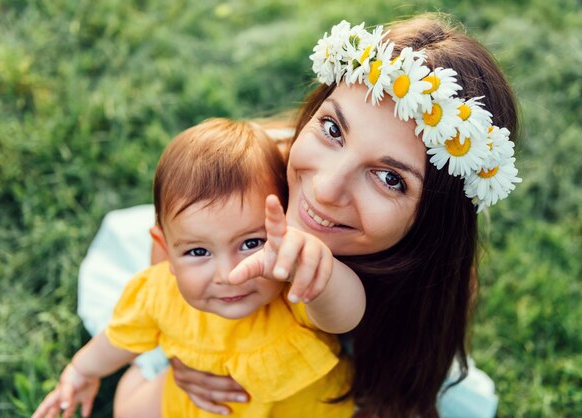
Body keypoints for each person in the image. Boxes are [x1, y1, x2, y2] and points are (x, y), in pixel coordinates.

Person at [79, 13, 521, 418]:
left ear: (432, 220)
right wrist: (185, 353)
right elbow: (170, 274)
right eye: (333, 129)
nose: (326, 189)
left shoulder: (423, 290)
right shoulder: (262, 174)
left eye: (389, 178)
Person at [34, 118, 365, 418]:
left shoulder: (288, 292)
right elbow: (119, 338)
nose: (227, 274)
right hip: (205, 408)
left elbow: (345, 314)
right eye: (197, 251)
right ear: (165, 250)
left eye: (252, 243)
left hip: (301, 410)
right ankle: (146, 379)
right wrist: (81, 371)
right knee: (129, 409)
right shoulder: (158, 295)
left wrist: (317, 269)